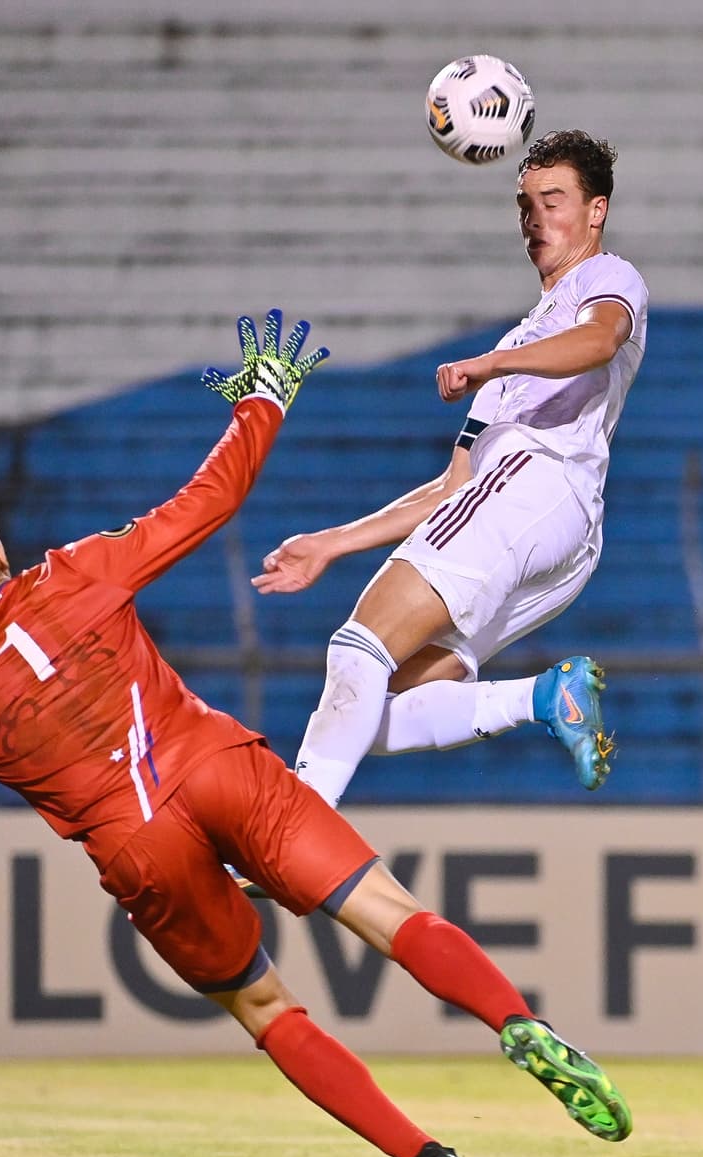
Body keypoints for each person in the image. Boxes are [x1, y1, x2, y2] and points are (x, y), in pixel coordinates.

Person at [0, 311, 631, 1157]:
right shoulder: (78, 571)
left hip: (140, 846)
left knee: (268, 1010)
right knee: (390, 915)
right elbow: (210, 501)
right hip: (216, 767)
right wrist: (262, 402)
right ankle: (518, 1021)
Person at [252, 131, 648, 810]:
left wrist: (489, 365)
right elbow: (451, 489)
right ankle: (542, 697)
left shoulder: (605, 279)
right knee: (370, 710)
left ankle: (284, 832)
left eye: (554, 200)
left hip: (538, 486)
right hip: (551, 530)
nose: (536, 218)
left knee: (357, 646)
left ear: (596, 211)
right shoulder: (519, 345)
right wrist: (333, 543)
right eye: (525, 204)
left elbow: (600, 340)